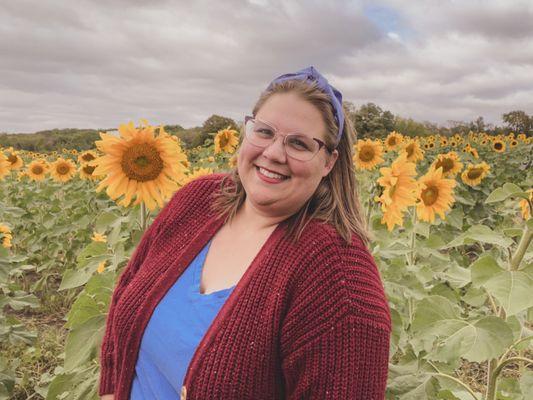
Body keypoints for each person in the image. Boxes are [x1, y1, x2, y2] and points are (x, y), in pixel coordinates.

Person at [99, 66, 391, 400]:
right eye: (264, 132)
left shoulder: (338, 280)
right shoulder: (198, 200)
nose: (273, 153)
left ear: (328, 162)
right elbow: (127, 295)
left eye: (298, 143)